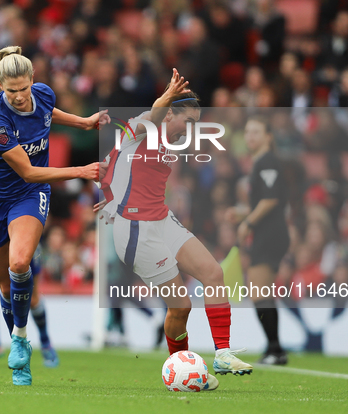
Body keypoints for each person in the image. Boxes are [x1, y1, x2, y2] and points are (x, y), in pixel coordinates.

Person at [97, 69, 253, 391]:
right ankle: (181, 371)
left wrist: (110, 193)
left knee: (213, 272)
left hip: (162, 219)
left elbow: (115, 163)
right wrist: (165, 98)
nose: (192, 129)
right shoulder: (145, 124)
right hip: (136, 229)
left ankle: (222, 354)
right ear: (170, 112)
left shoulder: (174, 139)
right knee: (181, 306)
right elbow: (146, 124)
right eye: (189, 121)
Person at [0, 46, 103, 386]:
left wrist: (83, 123)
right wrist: (81, 171)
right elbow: (26, 171)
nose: (21, 96)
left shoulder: (43, 94)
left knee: (20, 262)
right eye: (12, 91)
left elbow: (48, 113)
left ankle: (23, 341)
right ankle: (19, 344)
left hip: (27, 196)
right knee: (5, 286)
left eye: (24, 88)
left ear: (32, 80)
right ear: (0, 87)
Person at [0, 179, 59, 367]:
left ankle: (46, 342)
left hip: (20, 223)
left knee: (32, 298)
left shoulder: (23, 152)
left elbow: (34, 176)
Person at [228, 115, 290, 365]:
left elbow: (271, 200)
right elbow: (266, 201)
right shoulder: (261, 163)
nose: (250, 136)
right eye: (248, 132)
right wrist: (242, 213)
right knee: (259, 292)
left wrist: (249, 222)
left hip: (270, 233)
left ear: (268, 137)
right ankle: (274, 348)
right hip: (269, 231)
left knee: (259, 291)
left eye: (256, 131)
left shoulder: (267, 163)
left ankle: (275, 349)